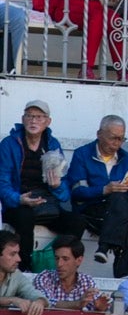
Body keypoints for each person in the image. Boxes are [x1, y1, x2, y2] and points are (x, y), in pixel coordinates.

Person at [0, 101, 81, 267]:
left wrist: (57, 186)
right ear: (23, 119)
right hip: (18, 203)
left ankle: (57, 264)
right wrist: (18, 199)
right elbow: (3, 182)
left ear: (47, 122)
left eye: (38, 117)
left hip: (47, 204)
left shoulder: (52, 144)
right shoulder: (9, 144)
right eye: (29, 116)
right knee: (25, 216)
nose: (33, 121)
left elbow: (64, 190)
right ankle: (25, 268)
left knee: (77, 221)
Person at [68, 115, 128, 278]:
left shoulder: (126, 158)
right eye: (113, 138)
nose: (117, 143)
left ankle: (104, 247)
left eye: (121, 139)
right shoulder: (82, 154)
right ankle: (126, 273)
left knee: (121, 200)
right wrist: (104, 190)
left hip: (116, 210)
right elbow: (76, 192)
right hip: (90, 210)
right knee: (123, 214)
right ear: (99, 134)